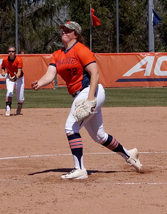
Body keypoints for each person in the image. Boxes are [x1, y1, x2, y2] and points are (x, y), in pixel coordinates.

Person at [31, 21, 143, 180]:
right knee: (99, 136)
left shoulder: (81, 50)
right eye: (62, 29)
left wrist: (90, 98)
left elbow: (95, 74)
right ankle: (129, 155)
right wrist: (39, 83)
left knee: (70, 126)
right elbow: (50, 75)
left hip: (92, 91)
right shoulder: (58, 54)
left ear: (75, 34)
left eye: (67, 30)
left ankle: (80, 169)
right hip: (80, 95)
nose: (63, 32)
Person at [1, 46, 25, 116]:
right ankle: (8, 109)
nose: (11, 53)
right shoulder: (5, 60)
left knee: (20, 98)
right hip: (9, 77)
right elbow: (3, 68)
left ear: (15, 53)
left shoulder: (19, 59)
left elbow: (19, 71)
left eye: (12, 51)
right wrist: (2, 72)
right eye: (9, 51)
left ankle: (19, 106)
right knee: (10, 91)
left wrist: (16, 77)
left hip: (19, 77)